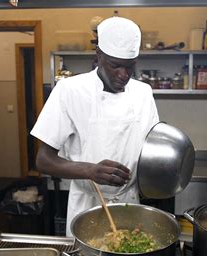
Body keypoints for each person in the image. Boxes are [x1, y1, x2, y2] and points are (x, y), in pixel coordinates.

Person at [30, 16, 159, 237]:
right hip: (87, 205)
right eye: (115, 65)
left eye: (130, 67)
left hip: (130, 202)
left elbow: (151, 149)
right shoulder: (69, 90)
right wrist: (90, 170)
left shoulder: (143, 93)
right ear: (98, 55)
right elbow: (43, 160)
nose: (124, 75)